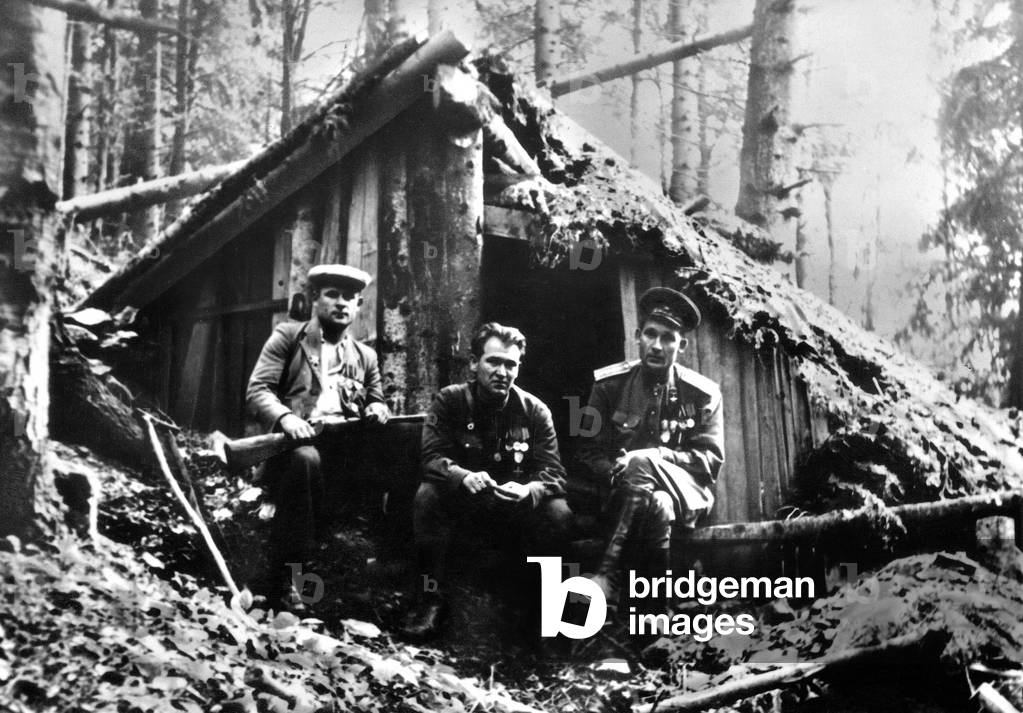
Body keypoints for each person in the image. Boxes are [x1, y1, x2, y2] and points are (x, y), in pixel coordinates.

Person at [401, 323, 573, 641]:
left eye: (510, 364)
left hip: (513, 515)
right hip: (466, 511)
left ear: (518, 368)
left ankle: (546, 612)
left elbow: (555, 474)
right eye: (493, 361)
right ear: (474, 363)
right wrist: (461, 476)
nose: (501, 372)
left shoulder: (535, 412)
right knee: (428, 495)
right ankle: (429, 601)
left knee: (558, 513)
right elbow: (431, 459)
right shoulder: (449, 401)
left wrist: (530, 490)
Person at [246, 263, 390, 611]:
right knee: (305, 460)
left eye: (351, 298)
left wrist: (377, 410)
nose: (342, 304)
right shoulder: (287, 337)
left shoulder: (365, 357)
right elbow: (258, 391)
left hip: (344, 454)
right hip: (293, 450)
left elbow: (377, 398)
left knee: (400, 450)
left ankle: (385, 576)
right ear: (315, 298)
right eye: (333, 295)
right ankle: (294, 578)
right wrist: (286, 417)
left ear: (358, 307)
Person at [578, 286, 724, 611]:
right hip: (625, 495)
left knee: (644, 460)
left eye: (668, 338)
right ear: (637, 335)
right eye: (650, 334)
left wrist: (660, 456)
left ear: (681, 345)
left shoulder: (702, 394)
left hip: (688, 491)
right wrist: (616, 471)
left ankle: (607, 573)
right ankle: (657, 608)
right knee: (658, 503)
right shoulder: (608, 386)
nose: (657, 346)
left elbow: (709, 461)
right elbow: (587, 453)